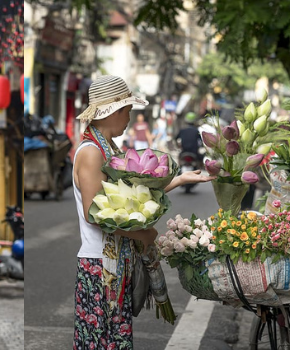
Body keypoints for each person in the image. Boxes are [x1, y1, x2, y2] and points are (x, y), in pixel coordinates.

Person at [72, 76, 215, 348]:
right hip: (100, 268)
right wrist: (144, 232)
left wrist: (181, 180)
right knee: (102, 341)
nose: (129, 117)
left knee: (115, 340)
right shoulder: (91, 153)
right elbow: (95, 215)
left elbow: (136, 199)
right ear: (111, 111)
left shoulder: (109, 149)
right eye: (126, 110)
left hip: (114, 266)